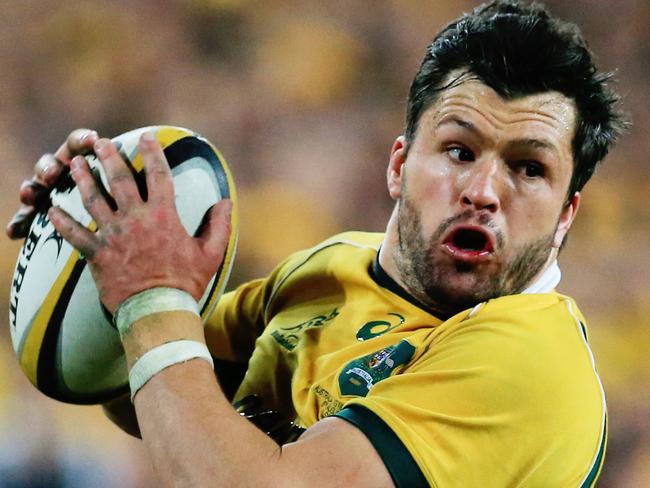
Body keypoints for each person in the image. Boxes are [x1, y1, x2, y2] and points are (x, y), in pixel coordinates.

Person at [7, 1, 626, 486]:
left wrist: (150, 297)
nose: (484, 190)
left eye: (529, 169)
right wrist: (94, 247)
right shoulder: (326, 269)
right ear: (398, 166)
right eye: (459, 150)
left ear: (567, 215)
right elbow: (171, 411)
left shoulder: (533, 363)